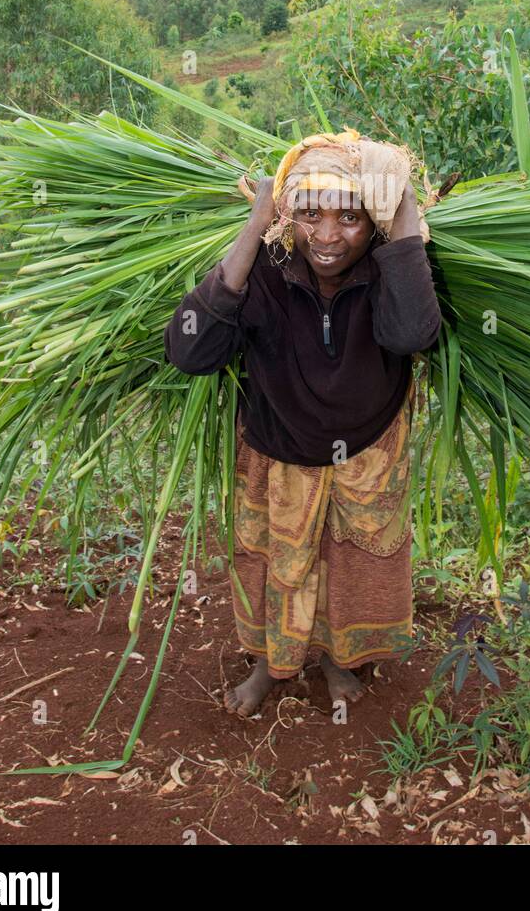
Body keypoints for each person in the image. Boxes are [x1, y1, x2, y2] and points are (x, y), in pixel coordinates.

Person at [164, 128, 442, 717]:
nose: (327, 236)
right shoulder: (267, 267)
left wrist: (406, 212)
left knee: (350, 568)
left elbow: (414, 334)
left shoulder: (390, 267)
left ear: (375, 223)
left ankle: (339, 659)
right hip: (278, 449)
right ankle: (272, 664)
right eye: (308, 214)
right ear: (286, 213)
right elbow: (189, 351)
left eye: (350, 218)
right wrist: (256, 222)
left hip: (368, 447)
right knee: (279, 566)